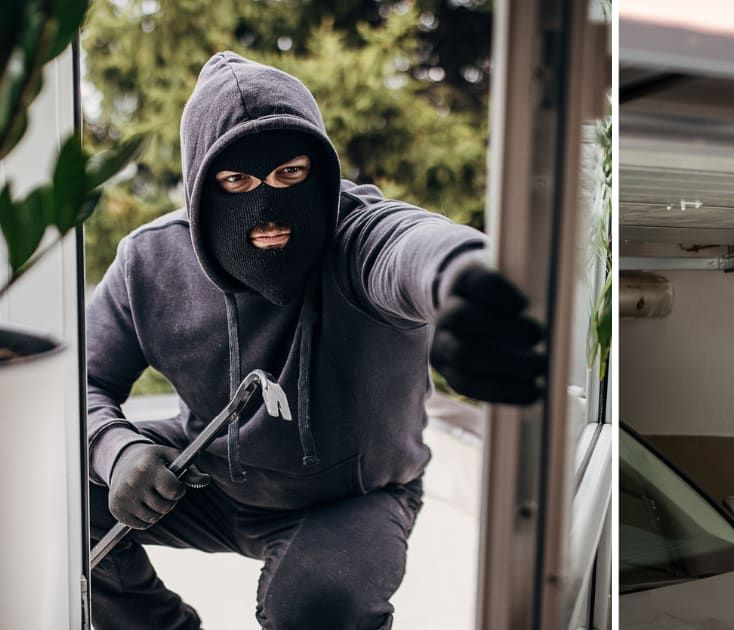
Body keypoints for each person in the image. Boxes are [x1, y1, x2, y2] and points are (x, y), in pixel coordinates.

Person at [86, 51, 544, 630]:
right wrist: (116, 448)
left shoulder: (356, 236)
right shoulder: (149, 263)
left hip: (354, 496)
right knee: (59, 490)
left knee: (318, 604)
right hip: (213, 481)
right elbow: (82, 381)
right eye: (237, 181)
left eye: (290, 175)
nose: (268, 209)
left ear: (320, 173)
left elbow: (414, 247)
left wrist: (465, 286)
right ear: (201, 186)